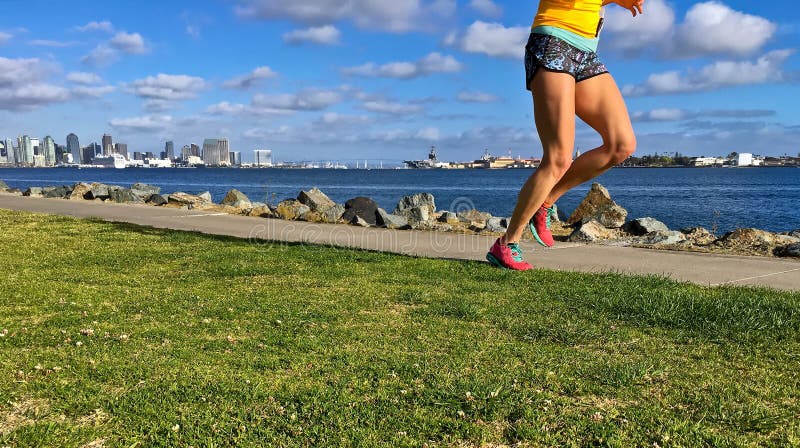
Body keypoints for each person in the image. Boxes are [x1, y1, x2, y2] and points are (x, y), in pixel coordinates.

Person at [486, 0, 644, 270]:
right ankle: (506, 244)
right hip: (553, 42)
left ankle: (545, 202)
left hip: (586, 52)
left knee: (622, 144)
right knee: (558, 159)